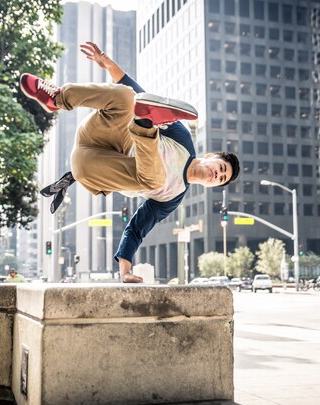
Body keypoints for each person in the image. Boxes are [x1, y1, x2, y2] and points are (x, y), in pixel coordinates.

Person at [20, 42, 240, 283]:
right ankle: (58, 98)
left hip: (90, 165)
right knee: (128, 96)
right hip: (98, 135)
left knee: (156, 178)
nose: (215, 175)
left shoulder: (173, 196)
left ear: (211, 186)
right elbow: (137, 90)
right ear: (210, 157)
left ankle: (146, 124)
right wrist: (107, 63)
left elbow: (136, 228)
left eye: (220, 179)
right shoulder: (183, 139)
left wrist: (124, 271)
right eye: (219, 168)